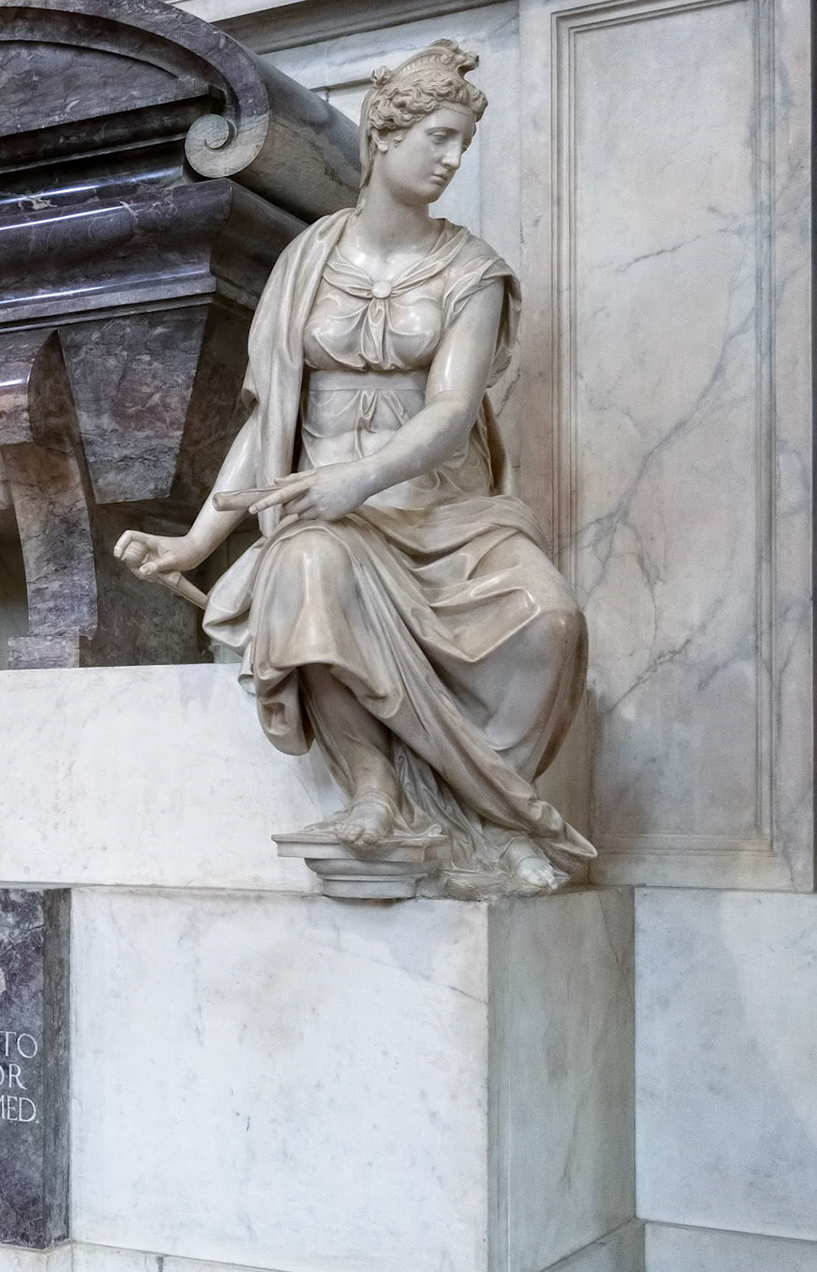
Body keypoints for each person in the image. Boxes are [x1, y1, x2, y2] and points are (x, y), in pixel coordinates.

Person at [116, 41, 593, 895]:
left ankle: (493, 811)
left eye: (461, 145)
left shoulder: (471, 271)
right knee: (305, 566)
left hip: (443, 516)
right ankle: (373, 793)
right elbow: (270, 422)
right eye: (438, 137)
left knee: (552, 623)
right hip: (325, 520)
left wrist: (360, 479)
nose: (451, 160)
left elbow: (451, 413)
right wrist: (195, 543)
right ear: (384, 131)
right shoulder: (306, 263)